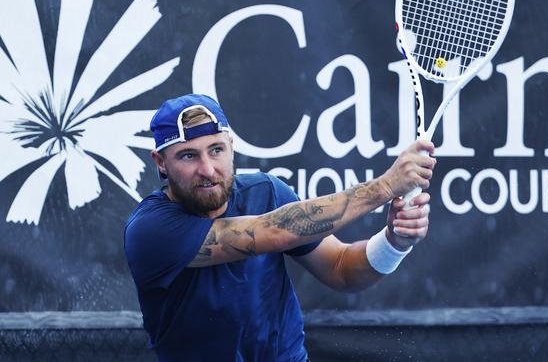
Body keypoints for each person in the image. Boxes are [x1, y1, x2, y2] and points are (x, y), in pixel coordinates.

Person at [124, 94, 435, 362]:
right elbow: (275, 232)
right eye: (188, 156)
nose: (207, 169)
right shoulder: (150, 230)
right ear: (160, 162)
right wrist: (385, 186)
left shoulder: (267, 193)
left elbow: (341, 268)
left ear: (231, 146)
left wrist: (395, 242)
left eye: (216, 150)